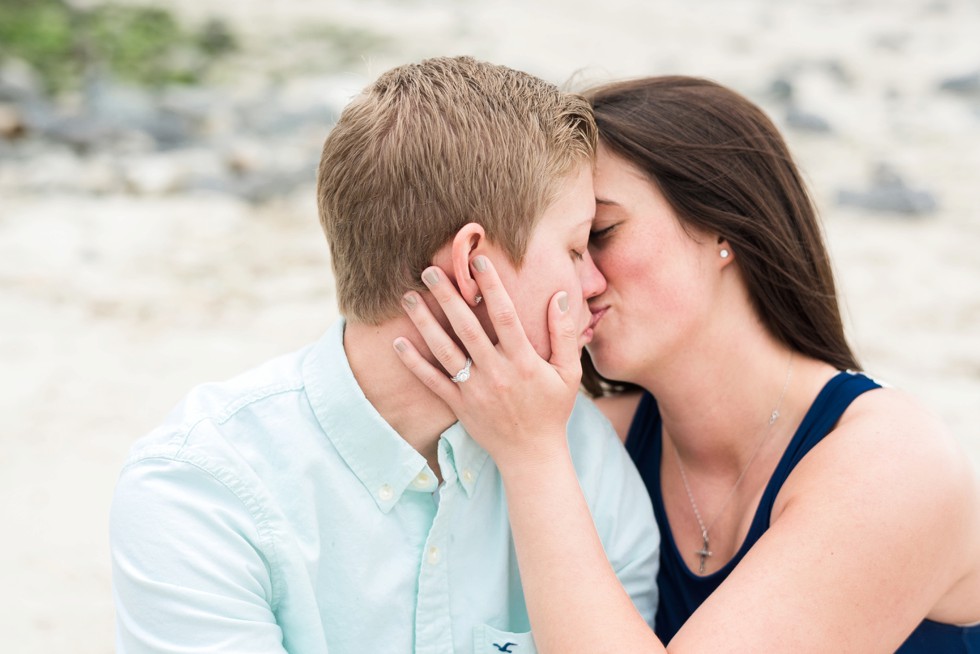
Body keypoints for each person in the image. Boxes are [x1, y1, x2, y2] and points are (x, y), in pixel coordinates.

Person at [395, 75, 980, 652]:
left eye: (598, 233)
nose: (579, 280)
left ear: (722, 224)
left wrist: (532, 454)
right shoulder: (601, 442)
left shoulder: (896, 462)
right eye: (565, 245)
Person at [108, 56, 660, 653]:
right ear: (474, 265)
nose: (596, 283)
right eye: (577, 247)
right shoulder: (203, 490)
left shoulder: (583, 462)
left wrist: (537, 463)